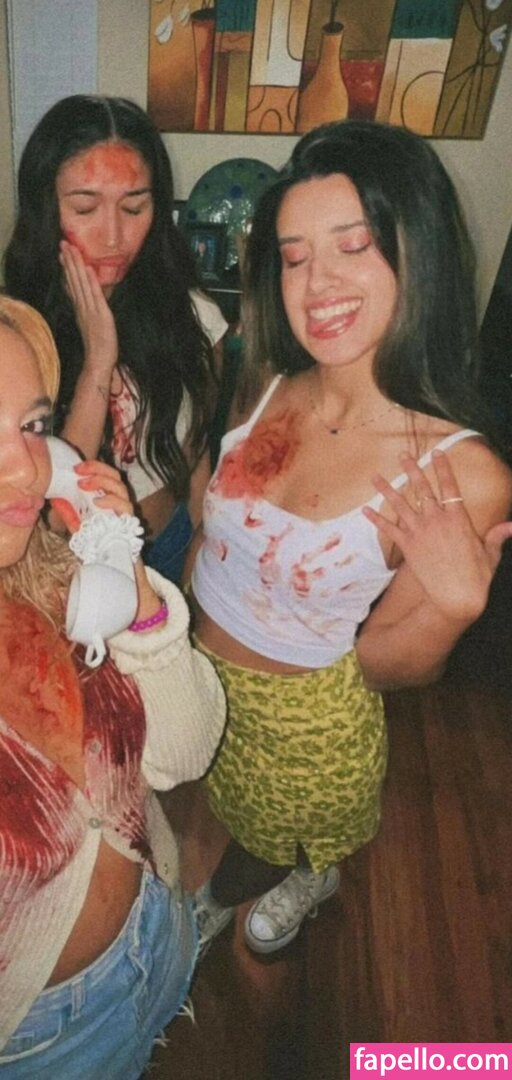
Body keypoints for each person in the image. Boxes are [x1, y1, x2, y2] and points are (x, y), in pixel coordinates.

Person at [188, 119, 512, 956]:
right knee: (233, 810)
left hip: (309, 724)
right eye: (294, 257)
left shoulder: (458, 471)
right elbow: (212, 524)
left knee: (285, 837)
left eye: (353, 245)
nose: (316, 283)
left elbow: (382, 668)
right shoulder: (265, 378)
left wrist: (452, 610)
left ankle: (287, 882)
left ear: (416, 251)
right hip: (203, 680)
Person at [0, 296, 226, 1078]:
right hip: (42, 1039)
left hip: (155, 927)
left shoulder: (58, 571)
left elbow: (186, 752)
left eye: (31, 425)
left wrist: (126, 578)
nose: (27, 467)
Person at [3, 94, 227, 584]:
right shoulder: (16, 336)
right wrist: (98, 359)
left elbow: (197, 455)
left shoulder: (194, 316)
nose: (112, 236)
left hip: (170, 546)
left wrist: (200, 552)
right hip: (69, 566)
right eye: (85, 208)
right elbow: (51, 509)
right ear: (46, 210)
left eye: (134, 207)